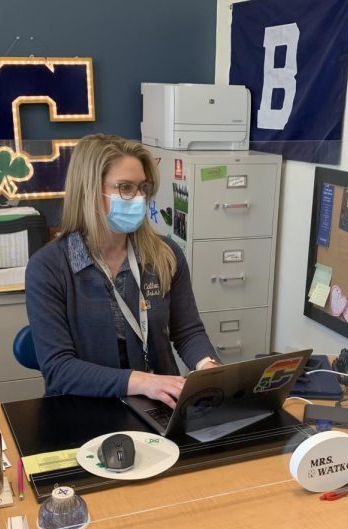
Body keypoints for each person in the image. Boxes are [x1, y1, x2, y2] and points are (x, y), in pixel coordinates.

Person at [25, 134, 220, 407]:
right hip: (83, 410)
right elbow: (59, 369)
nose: (138, 198)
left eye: (143, 187)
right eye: (125, 188)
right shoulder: (49, 267)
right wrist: (144, 382)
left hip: (160, 406)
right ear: (90, 191)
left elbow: (187, 332)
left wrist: (208, 366)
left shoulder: (164, 255)